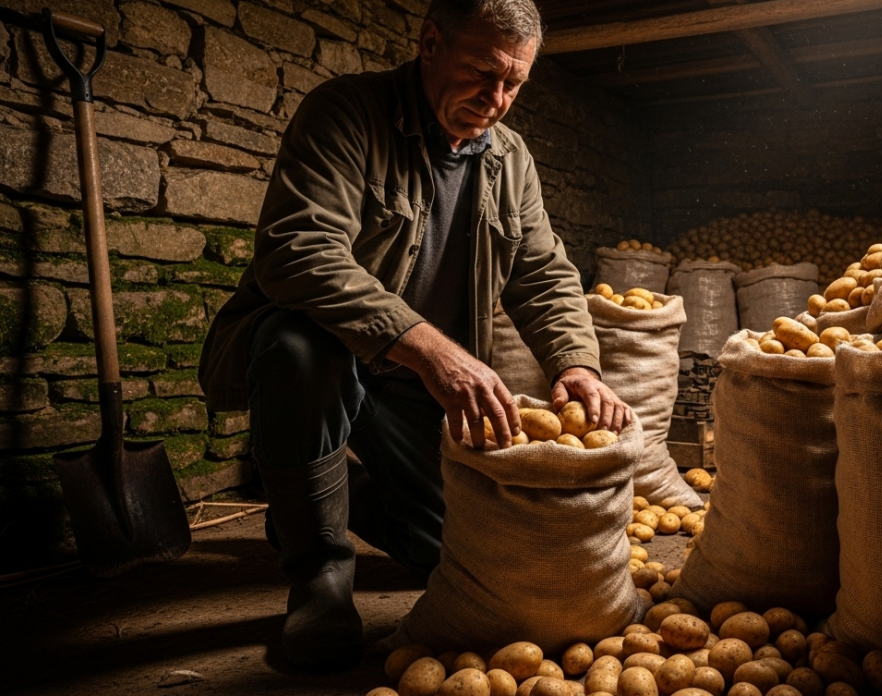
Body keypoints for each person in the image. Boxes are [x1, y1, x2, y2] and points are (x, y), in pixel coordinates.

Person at [198, 0, 632, 670]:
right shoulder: (346, 113)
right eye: (483, 73)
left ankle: (327, 497)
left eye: (514, 83)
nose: (497, 99)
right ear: (431, 42)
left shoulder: (509, 159)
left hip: (411, 388)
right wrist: (430, 349)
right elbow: (298, 249)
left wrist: (577, 364)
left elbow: (542, 273)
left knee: (447, 546)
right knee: (297, 346)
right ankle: (318, 573)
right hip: (341, 358)